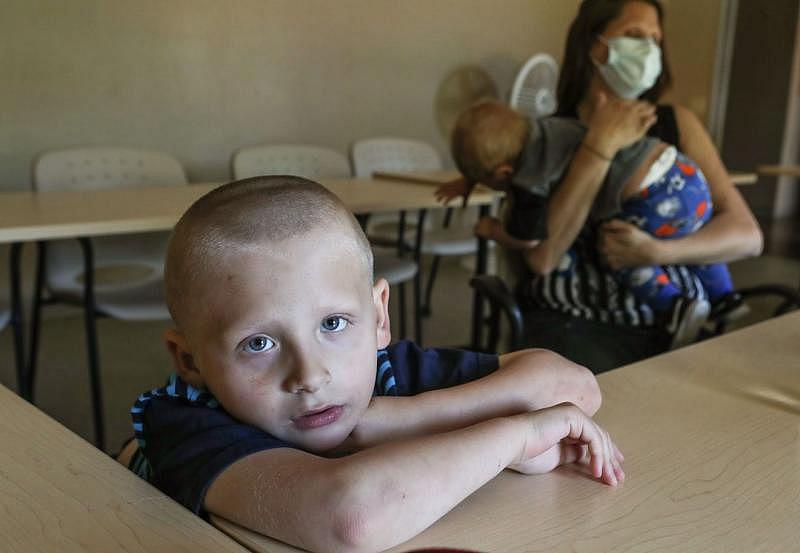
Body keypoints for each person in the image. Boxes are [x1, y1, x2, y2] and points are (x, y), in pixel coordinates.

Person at [121, 176, 624, 553]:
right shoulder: (182, 422)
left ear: (379, 316)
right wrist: (514, 438)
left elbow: (574, 388)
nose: (311, 375)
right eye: (258, 344)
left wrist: (390, 420)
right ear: (189, 360)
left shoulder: (380, 373)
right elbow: (352, 518)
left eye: (334, 324)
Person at [437, 0, 762, 372]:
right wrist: (598, 147)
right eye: (635, 35)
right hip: (575, 322)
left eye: (656, 39)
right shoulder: (541, 140)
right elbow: (543, 258)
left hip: (674, 321)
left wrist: (656, 252)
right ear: (594, 45)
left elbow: (747, 236)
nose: (650, 50)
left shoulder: (677, 124)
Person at [448, 99, 740, 349]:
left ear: (504, 172)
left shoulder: (530, 177)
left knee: (618, 248)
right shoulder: (551, 129)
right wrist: (473, 177)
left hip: (651, 199)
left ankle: (676, 306)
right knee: (692, 226)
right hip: (685, 175)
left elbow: (531, 243)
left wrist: (493, 229)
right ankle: (726, 295)